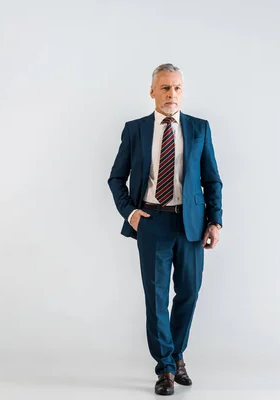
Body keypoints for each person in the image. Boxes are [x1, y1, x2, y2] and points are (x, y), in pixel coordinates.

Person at [107, 63, 223, 396]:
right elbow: (117, 177)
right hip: (152, 223)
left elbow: (211, 179)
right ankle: (166, 368)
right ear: (152, 91)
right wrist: (131, 213)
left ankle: (176, 354)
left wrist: (214, 220)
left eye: (177, 88)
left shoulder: (199, 129)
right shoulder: (136, 130)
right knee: (157, 299)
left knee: (188, 293)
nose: (172, 94)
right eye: (165, 88)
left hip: (190, 224)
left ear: (182, 91)